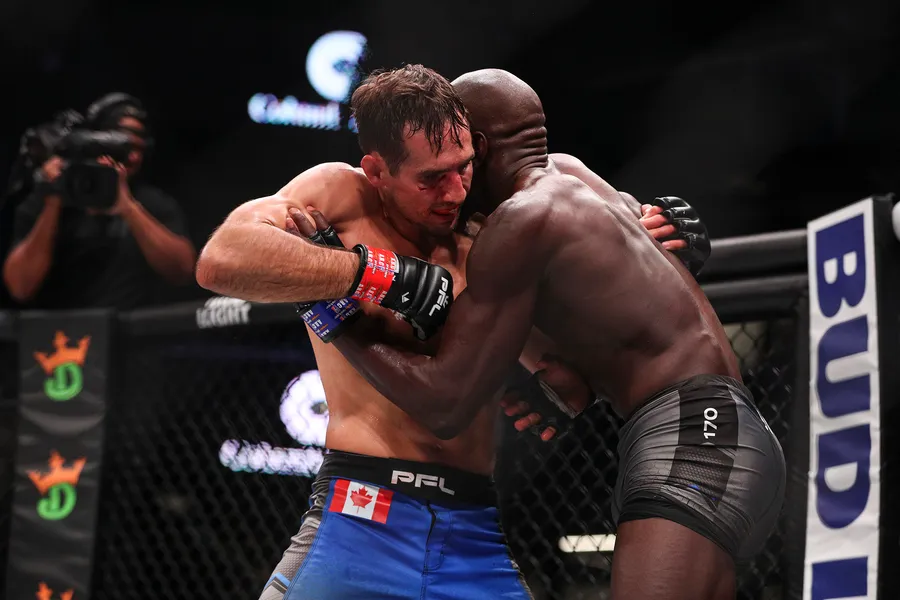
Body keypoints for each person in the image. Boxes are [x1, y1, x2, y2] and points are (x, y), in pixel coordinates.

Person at [195, 65, 708, 600]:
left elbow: (580, 362)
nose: (456, 190)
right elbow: (221, 260)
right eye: (432, 178)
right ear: (377, 170)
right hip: (361, 518)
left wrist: (663, 247)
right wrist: (379, 275)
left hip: (474, 531)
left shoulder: (490, 226)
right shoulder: (341, 193)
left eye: (464, 167)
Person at [3, 93, 196, 310]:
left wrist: (128, 208)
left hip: (129, 328)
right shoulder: (43, 202)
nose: (134, 157)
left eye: (139, 149)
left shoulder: (153, 203)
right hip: (59, 330)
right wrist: (56, 196)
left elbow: (183, 272)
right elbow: (20, 288)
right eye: (125, 147)